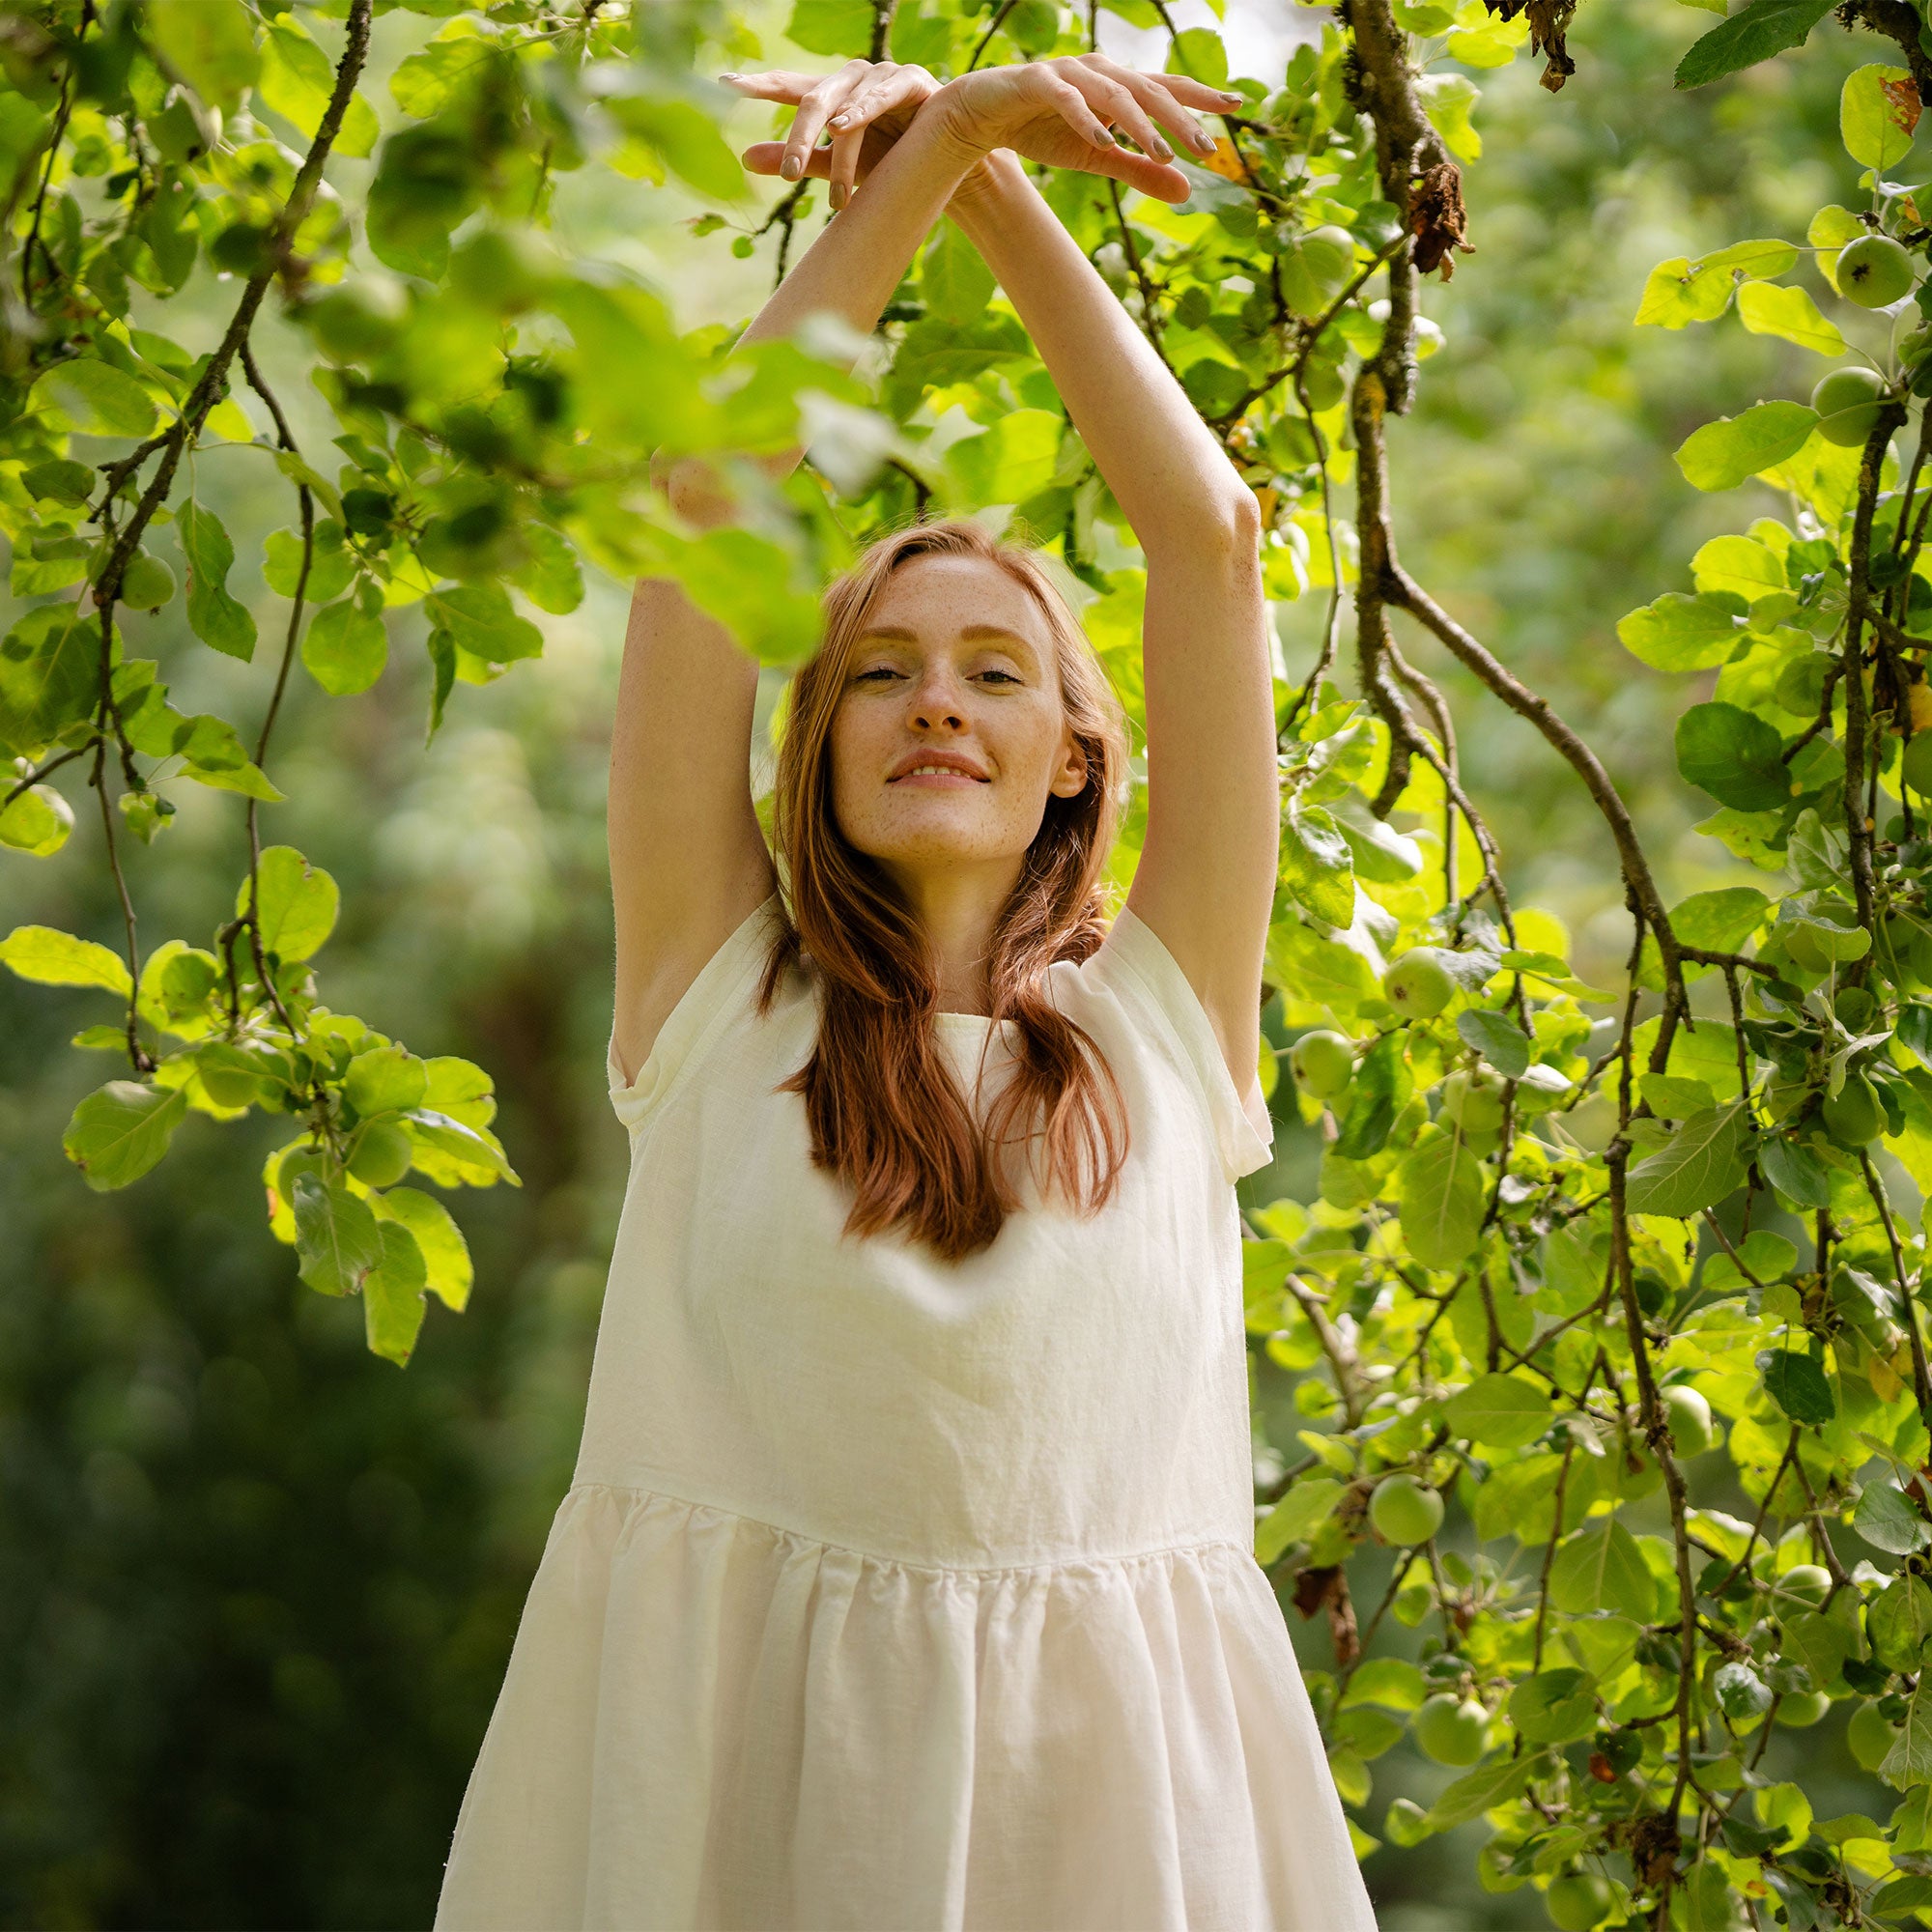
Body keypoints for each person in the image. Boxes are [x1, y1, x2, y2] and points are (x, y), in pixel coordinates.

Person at [433, 51, 1378, 1932]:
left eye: (995, 672)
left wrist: (1001, 180)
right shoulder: (718, 1004)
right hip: (742, 1821)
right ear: (816, 742)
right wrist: (935, 145)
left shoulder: (1166, 1026)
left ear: (1075, 765)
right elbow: (708, 492)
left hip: (1105, 1833)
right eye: (877, 670)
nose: (936, 696)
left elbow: (1200, 535)